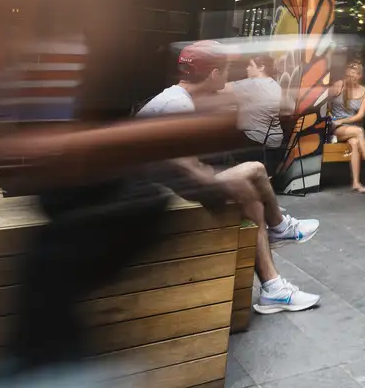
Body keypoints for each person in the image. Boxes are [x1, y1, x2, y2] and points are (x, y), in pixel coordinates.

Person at [137, 41, 321, 314]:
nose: (229, 77)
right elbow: (188, 171)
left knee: (253, 181)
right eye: (225, 70)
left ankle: (277, 250)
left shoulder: (176, 97)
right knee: (252, 191)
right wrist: (227, 184)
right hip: (156, 192)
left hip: (161, 182)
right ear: (213, 74)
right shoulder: (178, 105)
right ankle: (277, 249)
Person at [328, 60, 365, 192]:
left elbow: (360, 116)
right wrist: (331, 119)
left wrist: (343, 121)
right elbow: (323, 99)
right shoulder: (339, 85)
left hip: (350, 126)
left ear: (360, 75)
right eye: (349, 75)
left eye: (354, 75)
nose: (351, 77)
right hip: (336, 127)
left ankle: (355, 182)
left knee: (355, 142)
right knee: (359, 132)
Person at [232, 54, 285, 158]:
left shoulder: (253, 83)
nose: (247, 68)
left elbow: (221, 89)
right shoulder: (275, 85)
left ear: (261, 67)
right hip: (276, 141)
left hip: (257, 142)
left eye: (251, 65)